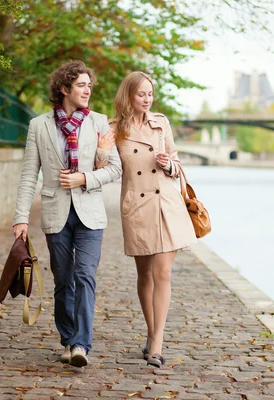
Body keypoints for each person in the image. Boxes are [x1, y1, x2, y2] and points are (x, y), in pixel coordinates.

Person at [12, 61, 121, 368]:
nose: (88, 90)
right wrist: (20, 217)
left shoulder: (99, 123)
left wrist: (84, 178)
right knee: (63, 279)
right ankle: (67, 339)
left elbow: (115, 169)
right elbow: (28, 174)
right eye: (82, 85)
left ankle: (81, 345)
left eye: (90, 85)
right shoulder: (39, 126)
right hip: (55, 210)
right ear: (64, 88)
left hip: (90, 213)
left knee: (85, 275)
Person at [97, 71, 197, 367]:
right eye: (141, 94)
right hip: (137, 207)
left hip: (167, 205)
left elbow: (177, 160)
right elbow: (103, 167)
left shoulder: (161, 123)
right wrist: (102, 150)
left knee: (163, 273)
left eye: (150, 94)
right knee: (145, 275)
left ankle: (156, 342)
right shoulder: (114, 129)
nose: (146, 99)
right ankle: (152, 332)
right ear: (128, 95)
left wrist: (170, 165)